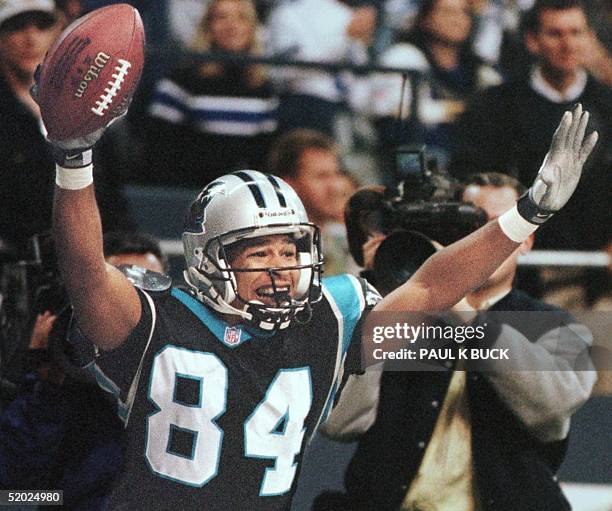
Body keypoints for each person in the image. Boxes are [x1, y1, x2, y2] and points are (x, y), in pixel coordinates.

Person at [47, 75, 595, 511]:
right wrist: (75, 161)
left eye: (290, 250)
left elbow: (428, 285)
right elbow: (87, 272)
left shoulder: (328, 316)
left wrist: (528, 216)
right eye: (259, 252)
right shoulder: (156, 318)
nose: (282, 268)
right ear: (209, 257)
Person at [317, 171, 597, 510]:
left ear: (527, 240)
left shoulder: (554, 324)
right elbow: (340, 422)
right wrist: (383, 294)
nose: (489, 239)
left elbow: (554, 403)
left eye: (504, 225)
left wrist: (453, 301)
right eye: (473, 227)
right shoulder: (405, 313)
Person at [0, 231, 167, 510]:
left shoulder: (192, 375)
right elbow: (13, 490)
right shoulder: (58, 378)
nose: (132, 308)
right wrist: (46, 380)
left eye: (149, 293)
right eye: (120, 290)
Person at [450, 0, 611, 252]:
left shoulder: (608, 104)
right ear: (532, 40)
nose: (567, 44)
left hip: (597, 263)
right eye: (555, 34)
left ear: (590, 38)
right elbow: (470, 177)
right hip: (514, 255)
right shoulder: (493, 106)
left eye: (576, 33)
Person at [0, 0, 132, 257]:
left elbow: (114, 202)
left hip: (91, 259)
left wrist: (130, 250)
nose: (31, 38)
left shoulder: (91, 104)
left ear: (60, 28)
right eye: (17, 27)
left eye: (42, 25)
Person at [140, 0, 279, 187]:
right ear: (208, 26)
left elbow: (263, 155)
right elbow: (160, 148)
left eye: (241, 18)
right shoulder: (182, 79)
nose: (232, 26)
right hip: (187, 192)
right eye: (222, 17)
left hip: (241, 196)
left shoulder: (263, 88)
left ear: (252, 27)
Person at [367, 0, 501, 178]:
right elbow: (391, 113)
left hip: (464, 157)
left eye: (464, 13)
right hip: (408, 154)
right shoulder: (403, 56)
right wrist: (457, 109)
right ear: (425, 18)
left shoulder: (478, 69)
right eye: (447, 12)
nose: (457, 19)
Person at [267, 129, 359, 275]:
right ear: (288, 184)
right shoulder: (272, 251)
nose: (335, 187)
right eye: (321, 177)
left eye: (336, 174)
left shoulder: (345, 242)